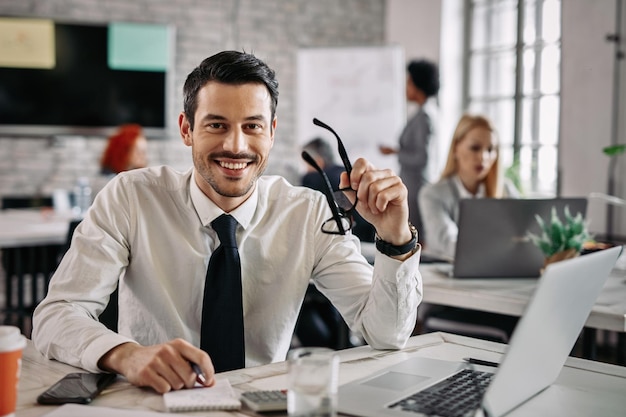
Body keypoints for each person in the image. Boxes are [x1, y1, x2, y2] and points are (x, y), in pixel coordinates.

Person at [32, 50, 423, 394]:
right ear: (187, 130)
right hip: (153, 401)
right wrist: (127, 356)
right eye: (216, 124)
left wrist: (395, 238)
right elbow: (56, 314)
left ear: (271, 133)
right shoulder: (131, 197)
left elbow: (386, 335)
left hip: (263, 407)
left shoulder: (308, 213)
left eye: (252, 126)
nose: (236, 145)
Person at [418, 113, 519, 260]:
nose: (483, 157)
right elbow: (447, 243)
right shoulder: (432, 194)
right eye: (475, 148)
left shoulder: (506, 190)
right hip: (444, 277)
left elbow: (523, 235)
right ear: (456, 149)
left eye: (490, 150)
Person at [379, 59, 440, 244]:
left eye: (409, 82)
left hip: (415, 187)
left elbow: (422, 158)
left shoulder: (424, 117)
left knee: (413, 238)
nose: (406, 87)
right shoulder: (427, 112)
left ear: (418, 84)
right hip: (415, 184)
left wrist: (396, 153)